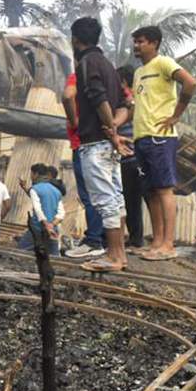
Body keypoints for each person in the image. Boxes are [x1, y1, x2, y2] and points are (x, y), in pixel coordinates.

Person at [131, 26, 196, 261]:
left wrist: (176, 115)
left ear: (154, 43)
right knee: (149, 191)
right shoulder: (139, 72)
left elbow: (190, 83)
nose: (136, 46)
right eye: (135, 42)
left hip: (160, 136)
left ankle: (169, 244)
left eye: (140, 41)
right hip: (141, 137)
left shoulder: (164, 63)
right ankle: (157, 242)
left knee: (164, 189)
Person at [70, 17, 130, 272]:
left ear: (75, 39)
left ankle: (114, 257)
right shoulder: (108, 66)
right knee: (116, 198)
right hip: (106, 143)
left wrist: (111, 130)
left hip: (95, 144)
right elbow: (127, 105)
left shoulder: (87, 63)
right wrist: (114, 127)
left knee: (106, 201)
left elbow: (97, 97)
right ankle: (121, 255)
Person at [62, 68, 106, 259]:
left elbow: (68, 96)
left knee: (90, 196)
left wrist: (75, 122)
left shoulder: (80, 76)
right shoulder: (109, 76)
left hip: (84, 145)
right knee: (105, 195)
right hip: (102, 144)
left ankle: (94, 240)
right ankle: (102, 239)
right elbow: (129, 103)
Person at [115, 65, 147, 251]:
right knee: (135, 199)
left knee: (132, 199)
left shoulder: (130, 101)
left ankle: (136, 239)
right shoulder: (138, 99)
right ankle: (136, 238)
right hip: (136, 156)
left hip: (130, 156)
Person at [18, 163, 65, 256]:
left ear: (35, 174)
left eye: (31, 174)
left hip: (37, 228)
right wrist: (51, 225)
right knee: (54, 256)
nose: (31, 176)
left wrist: (46, 225)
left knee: (21, 250)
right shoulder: (56, 191)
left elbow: (38, 210)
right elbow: (61, 213)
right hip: (53, 230)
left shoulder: (35, 189)